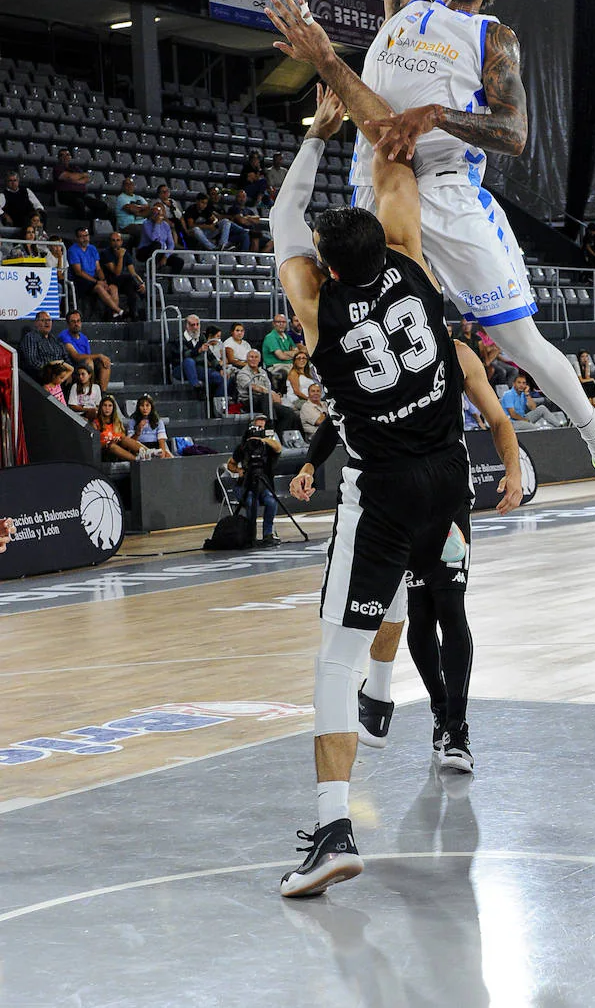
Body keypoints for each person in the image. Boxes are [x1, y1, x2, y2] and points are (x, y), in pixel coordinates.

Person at [265, 0, 595, 532]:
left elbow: (514, 133)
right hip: (378, 180)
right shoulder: (403, 7)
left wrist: (437, 112)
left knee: (523, 344)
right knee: (364, 334)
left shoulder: (492, 37)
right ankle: (392, 485)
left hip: (447, 189)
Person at [269, 79, 474, 899]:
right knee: (406, 591)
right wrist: (388, 118)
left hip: (382, 489)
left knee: (331, 659)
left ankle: (333, 828)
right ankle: (386, 699)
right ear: (384, 248)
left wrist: (317, 135)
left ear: (326, 265)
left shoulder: (318, 312)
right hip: (448, 479)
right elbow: (396, 170)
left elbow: (283, 221)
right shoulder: (413, 264)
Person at [291, 336, 523, 769]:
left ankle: (457, 728)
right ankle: (438, 711)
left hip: (448, 496)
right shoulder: (376, 347)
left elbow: (497, 417)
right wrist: (309, 463)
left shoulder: (454, 352)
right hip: (399, 499)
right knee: (421, 613)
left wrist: (513, 469)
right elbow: (337, 419)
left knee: (451, 606)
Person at [226, 413, 282, 546]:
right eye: (257, 426)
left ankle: (268, 534)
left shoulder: (269, 446)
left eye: (262, 426)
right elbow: (230, 464)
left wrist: (262, 440)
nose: (259, 429)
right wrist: (239, 470)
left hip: (264, 484)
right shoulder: (244, 447)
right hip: (245, 485)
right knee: (251, 501)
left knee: (271, 501)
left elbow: (278, 448)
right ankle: (250, 535)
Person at [235, 349, 302, 433]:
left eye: (256, 357)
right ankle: (270, 424)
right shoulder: (242, 373)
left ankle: (280, 436)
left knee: (288, 413)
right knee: (265, 397)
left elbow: (268, 387)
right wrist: (271, 393)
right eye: (251, 357)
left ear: (259, 360)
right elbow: (253, 387)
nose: (254, 359)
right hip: (248, 402)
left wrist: (274, 395)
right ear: (247, 359)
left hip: (265, 401)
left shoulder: (263, 372)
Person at [67, 227, 122, 318]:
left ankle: (114, 314)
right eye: (81, 236)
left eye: (86, 236)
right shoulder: (73, 250)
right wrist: (97, 282)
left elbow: (98, 269)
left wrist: (104, 281)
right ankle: (119, 310)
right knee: (100, 287)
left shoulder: (92, 248)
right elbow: (79, 272)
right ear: (77, 238)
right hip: (80, 280)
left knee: (113, 287)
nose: (85, 239)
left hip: (93, 279)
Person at [58, 310, 112, 392]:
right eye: (73, 322)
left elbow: (88, 355)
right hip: (71, 366)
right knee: (89, 362)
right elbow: (76, 356)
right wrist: (99, 355)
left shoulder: (84, 338)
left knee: (105, 363)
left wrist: (101, 358)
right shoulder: (64, 336)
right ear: (68, 324)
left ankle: (101, 394)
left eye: (78, 321)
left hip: (84, 365)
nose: (76, 324)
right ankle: (90, 391)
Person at [99, 231, 146, 320]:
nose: (116, 243)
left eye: (118, 240)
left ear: (121, 242)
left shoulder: (125, 253)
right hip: (111, 280)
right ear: (110, 242)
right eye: (113, 240)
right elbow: (117, 272)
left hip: (124, 281)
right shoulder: (106, 253)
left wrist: (141, 283)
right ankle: (146, 298)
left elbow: (133, 273)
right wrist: (120, 257)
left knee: (131, 291)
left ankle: (133, 315)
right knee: (128, 278)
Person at [175, 314, 224, 396]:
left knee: (219, 377)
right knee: (189, 361)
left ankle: (217, 404)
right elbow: (184, 354)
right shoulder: (179, 339)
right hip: (182, 368)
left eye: (197, 324)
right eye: (192, 325)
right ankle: (197, 387)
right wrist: (199, 350)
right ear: (187, 326)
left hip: (198, 368)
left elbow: (210, 355)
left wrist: (220, 368)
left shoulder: (201, 337)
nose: (195, 327)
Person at [52, 149, 108, 219]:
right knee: (80, 203)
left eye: (67, 155)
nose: (65, 157)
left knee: (102, 205)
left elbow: (87, 178)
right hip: (65, 195)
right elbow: (69, 176)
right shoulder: (58, 168)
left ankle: (92, 221)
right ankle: (82, 223)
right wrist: (79, 176)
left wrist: (73, 180)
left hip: (80, 194)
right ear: (59, 157)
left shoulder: (75, 168)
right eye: (62, 155)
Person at [501, 372, 566, 427]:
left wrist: (527, 394)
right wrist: (526, 421)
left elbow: (533, 407)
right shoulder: (508, 395)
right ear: (514, 384)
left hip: (523, 418)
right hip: (512, 422)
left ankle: (560, 427)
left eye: (524, 383)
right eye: (519, 382)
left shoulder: (523, 394)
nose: (521, 385)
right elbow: (513, 414)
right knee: (535, 428)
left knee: (542, 408)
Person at [18, 310, 67, 382]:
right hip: (42, 377)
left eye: (49, 320)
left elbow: (65, 356)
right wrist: (51, 371)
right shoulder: (31, 337)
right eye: (43, 320)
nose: (47, 322)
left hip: (59, 375)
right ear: (36, 323)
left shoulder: (54, 339)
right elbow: (32, 361)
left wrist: (67, 371)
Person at [93, 394, 143, 462]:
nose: (107, 408)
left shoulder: (117, 422)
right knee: (112, 446)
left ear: (113, 408)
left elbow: (124, 441)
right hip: (105, 450)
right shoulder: (95, 423)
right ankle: (137, 460)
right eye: (105, 405)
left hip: (119, 448)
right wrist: (110, 442)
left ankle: (148, 452)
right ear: (101, 407)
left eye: (110, 406)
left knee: (124, 439)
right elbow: (95, 444)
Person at [262, 313, 300, 391]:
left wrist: (285, 352)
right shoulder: (270, 337)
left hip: (290, 364)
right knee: (293, 374)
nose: (281, 324)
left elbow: (297, 352)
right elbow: (281, 356)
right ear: (273, 324)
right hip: (276, 367)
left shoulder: (287, 336)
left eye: (283, 322)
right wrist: (291, 353)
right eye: (278, 322)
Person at [127, 394, 173, 458]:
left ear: (151, 407)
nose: (145, 408)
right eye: (142, 406)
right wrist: (137, 432)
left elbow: (161, 441)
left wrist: (162, 454)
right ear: (138, 407)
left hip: (155, 447)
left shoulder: (158, 421)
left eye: (147, 405)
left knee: (168, 455)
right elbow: (130, 443)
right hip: (139, 447)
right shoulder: (132, 421)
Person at [0, 169, 44, 235]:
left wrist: (38, 212)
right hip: (15, 218)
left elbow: (38, 204)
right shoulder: (3, 194)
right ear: (6, 182)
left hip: (29, 217)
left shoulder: (26, 190)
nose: (13, 183)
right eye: (10, 181)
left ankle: (41, 235)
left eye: (15, 180)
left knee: (41, 214)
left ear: (18, 181)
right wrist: (5, 215)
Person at [115, 177, 150, 244]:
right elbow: (130, 209)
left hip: (142, 224)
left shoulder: (139, 197)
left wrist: (137, 212)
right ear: (123, 187)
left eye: (131, 184)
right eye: (127, 184)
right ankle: (140, 251)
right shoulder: (121, 198)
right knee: (140, 230)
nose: (129, 186)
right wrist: (142, 209)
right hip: (127, 226)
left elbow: (148, 210)